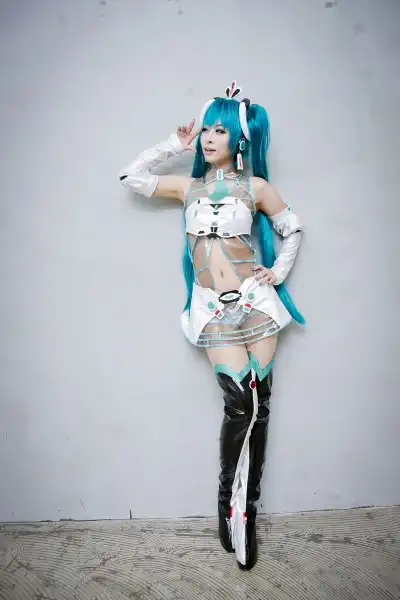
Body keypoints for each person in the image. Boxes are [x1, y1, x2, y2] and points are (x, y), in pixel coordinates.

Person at [119, 81, 304, 570]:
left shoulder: (255, 187)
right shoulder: (189, 187)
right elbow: (131, 176)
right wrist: (172, 146)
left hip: (257, 303)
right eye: (206, 129)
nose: (208, 137)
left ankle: (248, 511)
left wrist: (277, 272)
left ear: (239, 138)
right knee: (240, 403)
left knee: (260, 407)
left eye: (220, 130)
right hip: (211, 307)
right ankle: (227, 501)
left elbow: (293, 229)